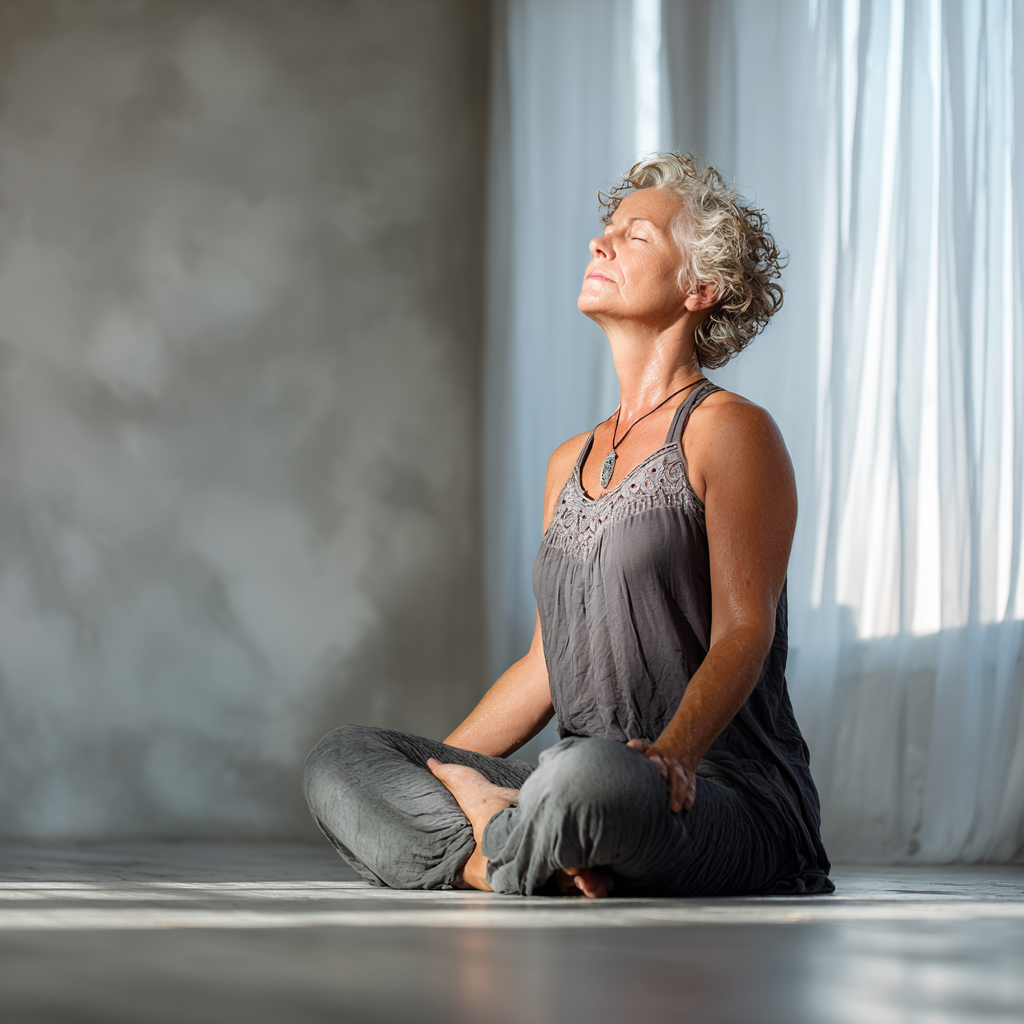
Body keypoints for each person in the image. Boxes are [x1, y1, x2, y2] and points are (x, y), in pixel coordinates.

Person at [302, 153, 834, 898]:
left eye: (636, 236)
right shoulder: (568, 462)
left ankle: (503, 843)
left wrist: (672, 756)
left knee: (588, 776)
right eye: (605, 230)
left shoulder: (730, 432)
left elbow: (745, 630)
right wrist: (440, 773)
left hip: (707, 789)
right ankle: (526, 853)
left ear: (700, 288)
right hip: (570, 784)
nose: (599, 244)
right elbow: (546, 667)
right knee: (343, 758)